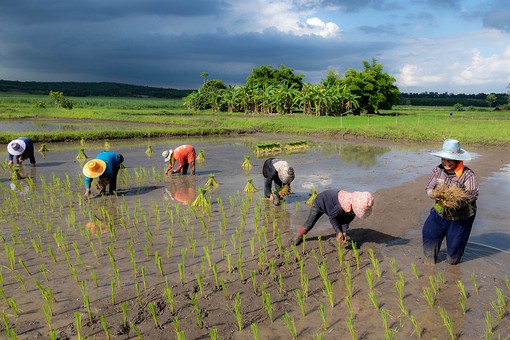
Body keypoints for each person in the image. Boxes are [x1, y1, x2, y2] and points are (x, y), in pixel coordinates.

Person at [422, 139, 478, 265]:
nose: (445, 162)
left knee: (452, 258)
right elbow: (429, 188)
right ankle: (429, 265)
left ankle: (453, 264)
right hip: (439, 213)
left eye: (449, 160)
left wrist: (454, 201)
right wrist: (435, 195)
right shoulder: (438, 170)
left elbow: (472, 195)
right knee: (429, 236)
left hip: (460, 218)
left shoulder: (468, 175)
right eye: (443, 159)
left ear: (457, 159)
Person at [293, 189, 374, 245]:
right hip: (319, 202)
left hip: (332, 206)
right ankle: (296, 239)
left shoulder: (352, 209)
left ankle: (340, 234)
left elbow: (346, 220)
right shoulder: (340, 206)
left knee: (340, 221)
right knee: (309, 224)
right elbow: (332, 218)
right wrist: (338, 232)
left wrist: (344, 231)